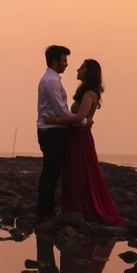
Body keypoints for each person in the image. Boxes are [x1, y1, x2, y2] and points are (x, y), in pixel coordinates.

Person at [42, 59, 125, 226]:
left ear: (89, 72)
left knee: (81, 173)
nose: (77, 69)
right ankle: (75, 208)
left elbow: (80, 117)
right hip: (76, 137)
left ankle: (83, 209)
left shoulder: (89, 94)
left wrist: (54, 120)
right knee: (74, 173)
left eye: (82, 67)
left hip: (80, 139)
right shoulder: (85, 92)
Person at [36, 45, 74, 219]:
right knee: (51, 172)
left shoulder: (52, 80)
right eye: (64, 60)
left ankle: (46, 208)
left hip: (52, 131)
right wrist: (81, 120)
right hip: (52, 132)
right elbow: (61, 110)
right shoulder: (51, 81)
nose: (66, 64)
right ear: (54, 61)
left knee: (51, 171)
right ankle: (45, 210)